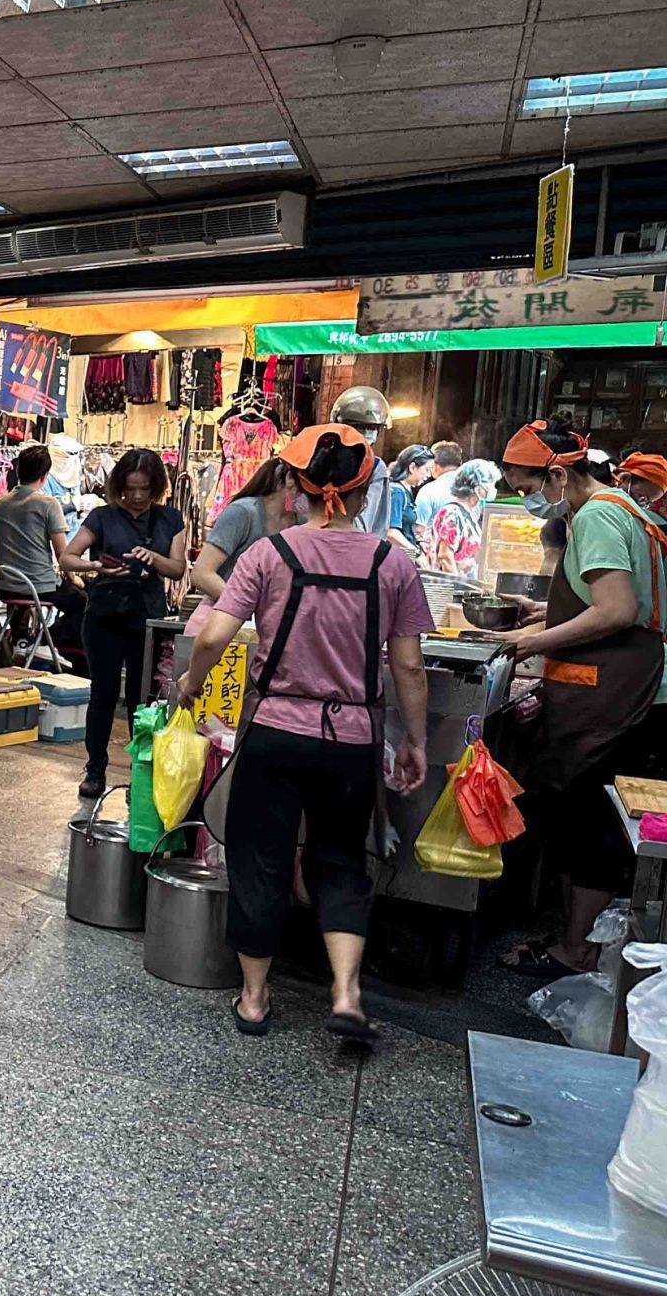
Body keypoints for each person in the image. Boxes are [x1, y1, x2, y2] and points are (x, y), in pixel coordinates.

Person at [178, 427, 432, 1042]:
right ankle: (346, 992)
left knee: (259, 857)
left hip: (276, 730)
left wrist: (190, 683)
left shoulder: (272, 554)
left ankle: (255, 998)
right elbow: (408, 665)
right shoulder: (391, 561)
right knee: (341, 860)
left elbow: (213, 634)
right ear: (366, 489)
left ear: (296, 487)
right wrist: (418, 742)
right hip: (353, 739)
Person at [493, 425, 667, 981]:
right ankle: (574, 937)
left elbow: (616, 610)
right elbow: (618, 600)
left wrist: (531, 643)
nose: (524, 496)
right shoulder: (621, 505)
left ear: (559, 474)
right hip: (625, 689)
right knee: (579, 817)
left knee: (589, 824)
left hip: (615, 699)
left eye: (525, 484)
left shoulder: (595, 515)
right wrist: (540, 613)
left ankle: (577, 949)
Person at [62, 448, 188, 799]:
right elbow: (68, 557)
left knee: (142, 699)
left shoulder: (170, 519)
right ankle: (95, 770)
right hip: (103, 614)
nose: (135, 496)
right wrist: (96, 567)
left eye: (143, 489)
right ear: (119, 484)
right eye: (130, 488)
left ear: (155, 487)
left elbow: (178, 569)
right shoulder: (103, 517)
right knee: (102, 694)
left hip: (147, 616)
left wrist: (154, 558)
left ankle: (141, 774)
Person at [0, 445, 85, 673]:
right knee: (84, 604)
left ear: (18, 470)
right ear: (44, 476)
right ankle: (41, 642)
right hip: (39, 587)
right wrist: (73, 578)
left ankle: (21, 640)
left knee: (25, 597)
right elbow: (63, 554)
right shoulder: (48, 504)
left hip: (5, 586)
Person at [192, 455, 306, 603]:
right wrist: (242, 606)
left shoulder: (302, 522)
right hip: (227, 617)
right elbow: (201, 573)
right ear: (290, 479)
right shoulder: (242, 513)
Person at [329, 385, 395, 538]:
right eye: (362, 427)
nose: (367, 433)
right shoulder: (375, 467)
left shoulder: (316, 455)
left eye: (371, 427)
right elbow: (372, 523)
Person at [430, 459, 499, 576]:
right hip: (447, 586)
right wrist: (457, 587)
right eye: (489, 484)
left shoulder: (468, 513)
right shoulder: (453, 514)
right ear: (477, 487)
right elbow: (445, 556)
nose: (492, 488)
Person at [387, 445, 437, 558]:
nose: (428, 475)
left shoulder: (407, 491)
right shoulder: (397, 492)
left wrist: (419, 542)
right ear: (412, 467)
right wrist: (416, 554)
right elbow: (391, 532)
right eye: (427, 470)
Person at [414, 440, 466, 539]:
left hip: (432, 550)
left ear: (434, 464)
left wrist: (413, 553)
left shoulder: (429, 490)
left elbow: (418, 530)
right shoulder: (473, 490)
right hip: (467, 552)